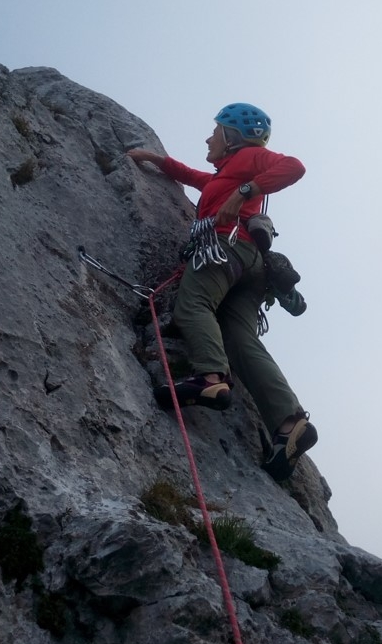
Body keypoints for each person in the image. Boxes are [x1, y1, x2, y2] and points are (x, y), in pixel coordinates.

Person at [127, 102, 317, 482]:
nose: (207, 137)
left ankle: (210, 379)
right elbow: (200, 178)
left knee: (193, 304)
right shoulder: (226, 174)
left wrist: (247, 190)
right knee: (239, 338)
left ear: (232, 135)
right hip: (251, 267)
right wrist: (158, 160)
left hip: (226, 247)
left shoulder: (248, 158)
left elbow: (294, 166)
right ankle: (288, 421)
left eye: (215, 130)